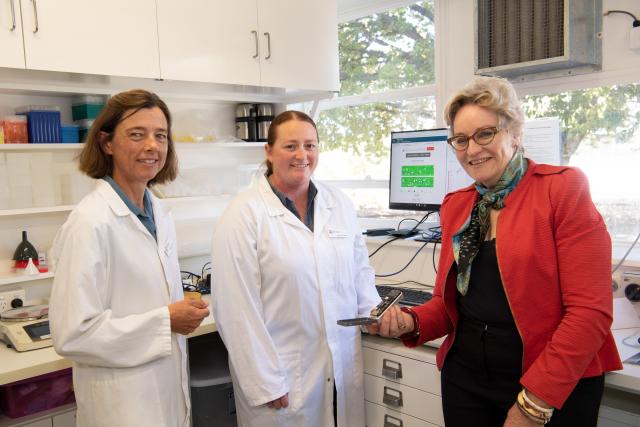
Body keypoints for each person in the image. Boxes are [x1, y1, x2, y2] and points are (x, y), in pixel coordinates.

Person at [370, 76, 622, 426]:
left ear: (515, 134)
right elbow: (449, 306)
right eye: (461, 139)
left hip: (547, 385)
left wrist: (532, 406)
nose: (472, 150)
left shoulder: (562, 190)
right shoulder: (458, 207)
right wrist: (410, 322)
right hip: (466, 382)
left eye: (485, 134)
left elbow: (589, 314)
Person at [49, 89, 210, 427]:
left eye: (160, 135)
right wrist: (166, 320)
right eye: (137, 134)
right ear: (107, 143)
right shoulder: (90, 222)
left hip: (163, 393)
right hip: (122, 407)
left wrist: (175, 313)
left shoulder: (158, 213)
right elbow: (72, 335)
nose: (152, 145)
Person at [211, 110, 381, 427]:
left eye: (310, 145)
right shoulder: (243, 214)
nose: (302, 155)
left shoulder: (339, 203)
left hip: (339, 370)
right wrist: (264, 381)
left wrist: (371, 308)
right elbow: (235, 309)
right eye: (291, 146)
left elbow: (359, 269)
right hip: (282, 380)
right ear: (269, 151)